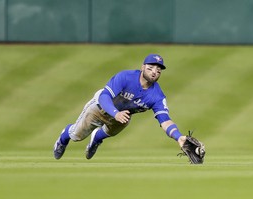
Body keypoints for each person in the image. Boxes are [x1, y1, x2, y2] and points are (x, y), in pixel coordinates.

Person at [53, 54, 186, 160]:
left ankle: (96, 139)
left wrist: (179, 137)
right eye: (150, 67)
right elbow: (104, 96)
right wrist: (116, 113)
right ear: (142, 67)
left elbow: (165, 120)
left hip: (122, 116)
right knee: (77, 135)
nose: (154, 72)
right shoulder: (126, 77)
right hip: (100, 107)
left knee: (111, 131)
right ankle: (63, 139)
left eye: (158, 70)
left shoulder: (157, 96)